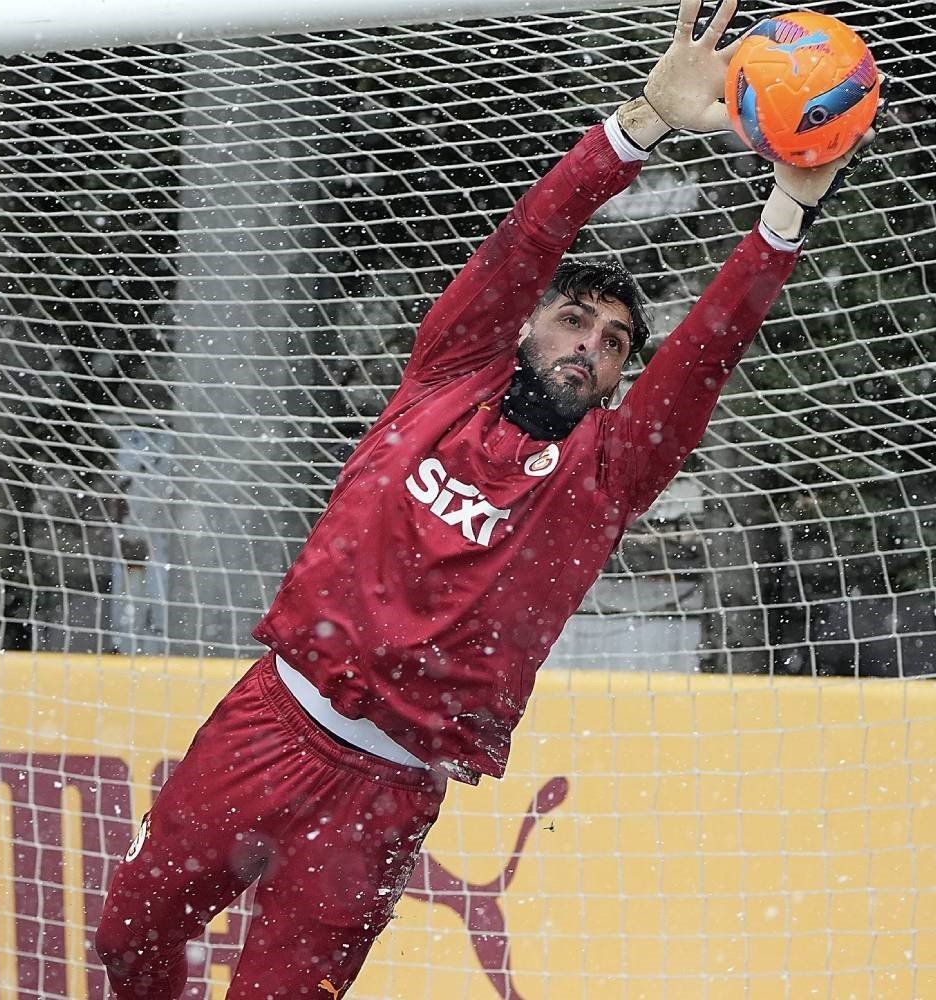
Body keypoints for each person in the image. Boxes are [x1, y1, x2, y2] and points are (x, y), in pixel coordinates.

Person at [94, 0, 873, 995]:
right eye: (573, 320)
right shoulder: (445, 376)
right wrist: (640, 122)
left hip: (379, 793)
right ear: (523, 330)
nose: (586, 345)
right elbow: (526, 240)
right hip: (265, 722)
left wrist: (782, 216)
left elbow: (705, 357)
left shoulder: (604, 476)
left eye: (611, 345)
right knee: (126, 939)